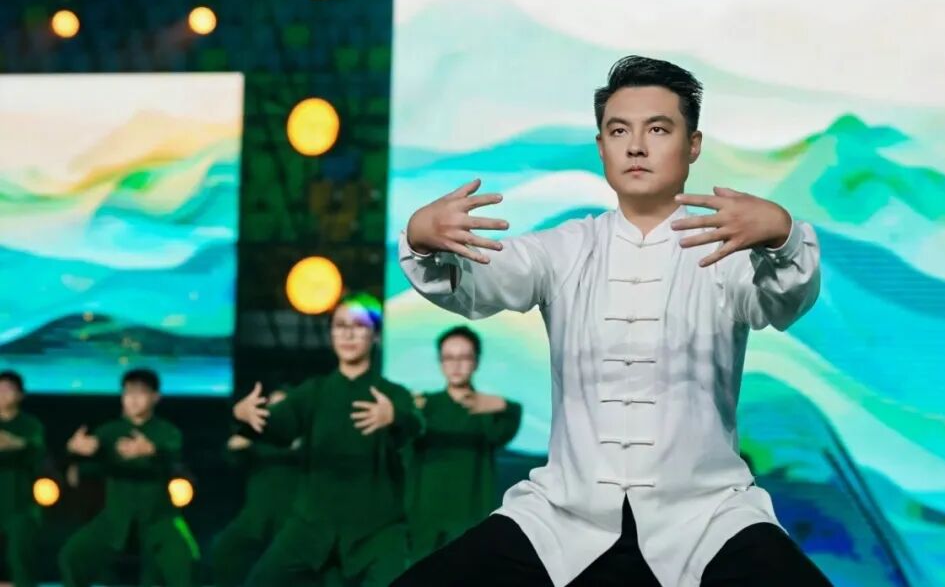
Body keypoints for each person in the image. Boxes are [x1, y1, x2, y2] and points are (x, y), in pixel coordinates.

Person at [393, 55, 828, 586]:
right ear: (601, 147)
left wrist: (782, 235)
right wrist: (423, 240)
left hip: (707, 514)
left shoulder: (726, 249)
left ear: (693, 145)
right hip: (563, 515)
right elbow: (480, 282)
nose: (636, 146)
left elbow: (783, 302)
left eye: (658, 130)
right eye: (619, 131)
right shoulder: (565, 247)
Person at [232, 293, 423, 587]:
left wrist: (394, 416)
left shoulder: (391, 394)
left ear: (375, 335)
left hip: (376, 529)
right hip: (312, 525)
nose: (348, 334)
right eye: (340, 325)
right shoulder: (315, 392)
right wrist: (245, 415)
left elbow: (415, 425)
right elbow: (277, 428)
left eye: (358, 326)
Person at [59, 368, 198, 587]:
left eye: (140, 393)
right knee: (72, 555)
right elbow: (82, 468)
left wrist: (151, 451)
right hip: (115, 517)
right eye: (128, 392)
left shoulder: (167, 432)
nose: (133, 399)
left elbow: (174, 458)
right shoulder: (109, 431)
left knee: (183, 560)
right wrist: (73, 451)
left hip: (158, 518)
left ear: (155, 397)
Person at [407, 326, 522, 559]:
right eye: (449, 358)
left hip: (472, 515)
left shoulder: (488, 409)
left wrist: (503, 405)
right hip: (426, 518)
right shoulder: (424, 407)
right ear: (440, 363)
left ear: (476, 362)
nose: (456, 365)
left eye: (464, 357)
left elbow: (507, 427)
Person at [211, 386, 302, 587]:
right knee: (224, 549)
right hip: (256, 519)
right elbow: (231, 450)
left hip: (292, 521)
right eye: (273, 407)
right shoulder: (258, 438)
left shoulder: (306, 438)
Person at [0, 370, 44, 587]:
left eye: (8, 389)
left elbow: (36, 450)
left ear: (20, 395)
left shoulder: (30, 425)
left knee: (21, 561)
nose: (1, 393)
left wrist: (16, 443)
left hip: (20, 504)